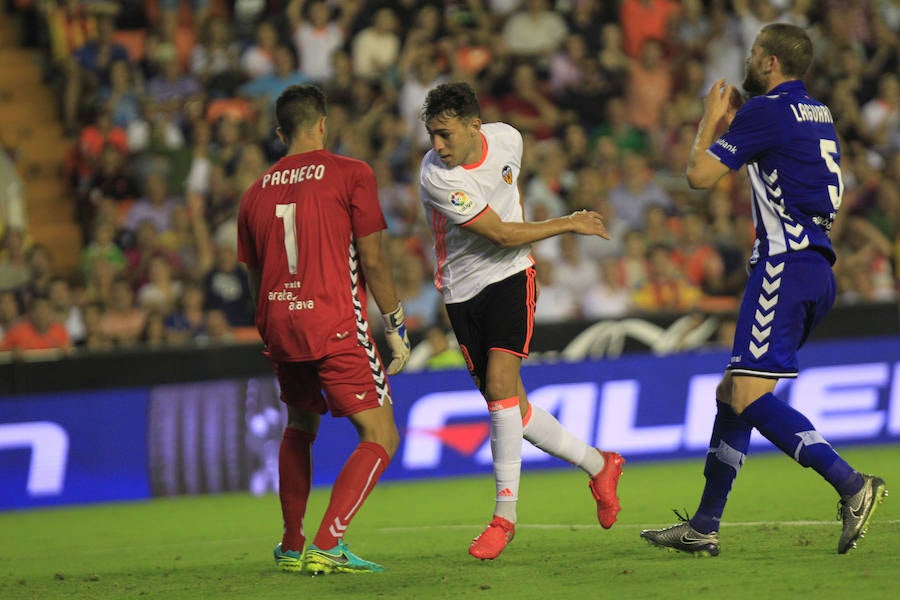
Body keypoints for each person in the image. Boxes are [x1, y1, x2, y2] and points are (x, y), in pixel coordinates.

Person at [640, 23, 887, 557]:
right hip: (816, 265)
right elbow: (782, 163)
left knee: (749, 395)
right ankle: (705, 525)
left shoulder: (766, 111)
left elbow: (698, 176)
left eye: (753, 54)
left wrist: (710, 119)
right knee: (732, 392)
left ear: (770, 62)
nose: (748, 62)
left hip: (785, 262)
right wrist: (739, 128)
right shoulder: (818, 113)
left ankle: (852, 485)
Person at [417, 81, 625, 561]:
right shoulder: (437, 175)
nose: (437, 146)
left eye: (445, 134)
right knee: (511, 407)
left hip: (512, 277)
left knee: (500, 385)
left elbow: (510, 227)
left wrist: (542, 235)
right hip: (461, 291)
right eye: (431, 134)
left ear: (475, 126)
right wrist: (567, 222)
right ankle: (601, 464)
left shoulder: (510, 138)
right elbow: (500, 231)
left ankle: (503, 519)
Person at [236, 84, 410, 575]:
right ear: (322, 124)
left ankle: (292, 543)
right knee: (381, 434)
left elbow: (255, 278)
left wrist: (273, 326)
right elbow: (372, 259)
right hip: (333, 321)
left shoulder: (253, 194)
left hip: (280, 325)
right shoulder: (351, 173)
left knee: (299, 426)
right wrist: (394, 322)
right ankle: (329, 542)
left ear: (279, 132)